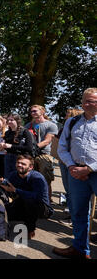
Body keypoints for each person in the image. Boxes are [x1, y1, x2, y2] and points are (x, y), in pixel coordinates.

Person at [53, 88, 97, 259]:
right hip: (75, 173)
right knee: (78, 212)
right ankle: (80, 249)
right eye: (84, 100)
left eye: (91, 101)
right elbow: (62, 147)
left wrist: (89, 168)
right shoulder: (72, 122)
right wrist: (71, 166)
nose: (86, 104)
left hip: (94, 171)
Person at [0, 154, 53, 240]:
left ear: (31, 167)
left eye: (23, 164)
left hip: (42, 208)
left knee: (29, 201)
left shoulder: (37, 177)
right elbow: (8, 188)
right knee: (5, 211)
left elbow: (37, 197)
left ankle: (30, 229)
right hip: (22, 203)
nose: (19, 165)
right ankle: (20, 218)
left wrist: (15, 190)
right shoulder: (14, 174)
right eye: (18, 163)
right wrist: (3, 185)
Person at [56, 108, 84, 226]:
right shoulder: (64, 128)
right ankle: (71, 214)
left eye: (68, 114)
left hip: (76, 164)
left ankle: (75, 218)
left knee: (75, 192)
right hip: (64, 162)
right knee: (68, 190)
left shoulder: (80, 127)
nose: (65, 116)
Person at [25, 105, 58, 202]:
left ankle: (46, 202)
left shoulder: (50, 125)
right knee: (30, 179)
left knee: (45, 180)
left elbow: (47, 141)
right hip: (31, 155)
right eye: (31, 111)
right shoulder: (28, 125)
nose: (33, 113)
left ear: (42, 111)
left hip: (44, 155)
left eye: (35, 111)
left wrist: (33, 147)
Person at [0, 113, 34, 179]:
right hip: (8, 158)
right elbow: (7, 147)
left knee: (19, 178)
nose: (9, 122)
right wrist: (2, 146)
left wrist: (11, 146)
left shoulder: (25, 131)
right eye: (8, 120)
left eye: (11, 120)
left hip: (20, 158)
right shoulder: (7, 133)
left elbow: (29, 148)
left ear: (17, 121)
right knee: (8, 178)